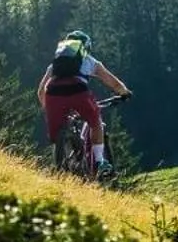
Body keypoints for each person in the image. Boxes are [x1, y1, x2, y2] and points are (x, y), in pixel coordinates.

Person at [36, 30, 132, 177]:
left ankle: (62, 161)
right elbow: (113, 82)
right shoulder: (90, 61)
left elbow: (41, 91)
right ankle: (100, 162)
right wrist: (124, 92)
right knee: (96, 122)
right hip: (78, 91)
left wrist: (46, 107)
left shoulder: (54, 65)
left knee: (57, 135)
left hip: (53, 94)